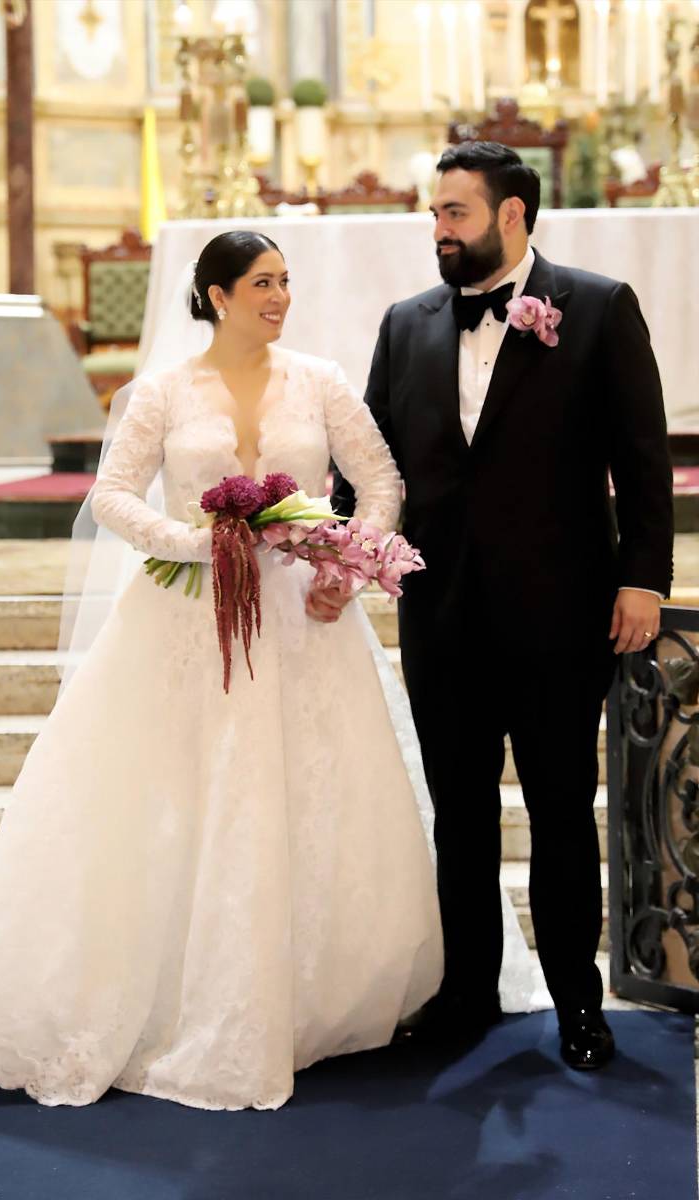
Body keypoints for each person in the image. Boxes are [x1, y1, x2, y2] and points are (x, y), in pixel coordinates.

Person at [0, 231, 536, 1111]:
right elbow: (112, 495)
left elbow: (381, 479)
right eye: (262, 283)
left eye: (286, 281)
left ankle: (320, 998)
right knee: (178, 802)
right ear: (214, 295)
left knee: (308, 799)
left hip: (302, 625)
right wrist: (194, 544)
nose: (280, 297)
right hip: (184, 623)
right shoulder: (164, 391)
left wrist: (343, 565)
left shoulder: (318, 380)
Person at [333, 142, 673, 1071]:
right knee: (460, 814)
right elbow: (369, 466)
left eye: (455, 213)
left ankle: (577, 1002)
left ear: (512, 215)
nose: (438, 230)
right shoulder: (406, 325)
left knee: (563, 810)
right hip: (441, 615)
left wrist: (643, 577)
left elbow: (643, 459)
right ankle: (467, 992)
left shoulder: (598, 309)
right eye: (436, 213)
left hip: (562, 614)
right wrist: (342, 550)